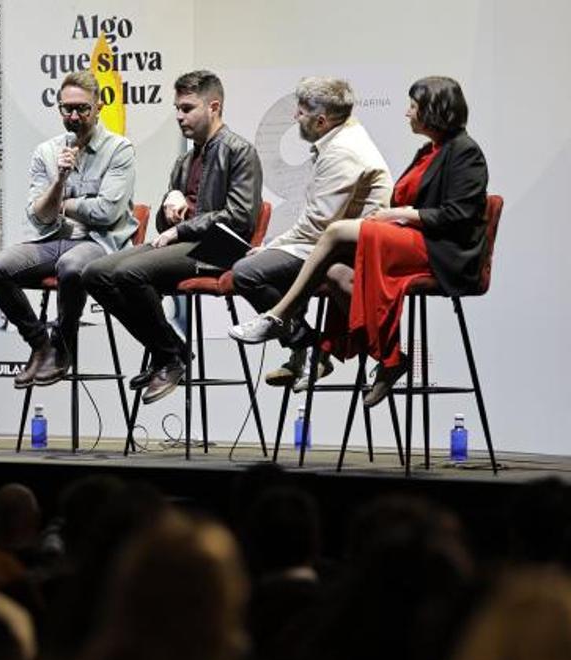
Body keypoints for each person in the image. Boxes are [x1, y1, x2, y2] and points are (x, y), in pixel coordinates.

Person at [230, 77, 488, 407]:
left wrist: (403, 215)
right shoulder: (430, 151)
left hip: (443, 250)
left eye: (413, 106)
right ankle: (390, 358)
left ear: (433, 111)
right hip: (411, 235)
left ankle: (279, 317)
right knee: (336, 273)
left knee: (335, 233)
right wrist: (398, 216)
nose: (407, 114)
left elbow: (459, 215)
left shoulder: (466, 152)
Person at [83, 70, 262, 403]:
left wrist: (182, 225)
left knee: (129, 272)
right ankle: (171, 350)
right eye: (177, 108)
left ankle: (168, 356)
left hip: (219, 250)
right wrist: (169, 213)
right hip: (184, 247)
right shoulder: (184, 160)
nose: (179, 117)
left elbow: (239, 218)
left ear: (214, 106)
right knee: (94, 273)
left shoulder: (239, 151)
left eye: (187, 108)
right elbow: (164, 232)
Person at [227, 78, 391, 392]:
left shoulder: (342, 152)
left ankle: (308, 345)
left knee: (247, 273)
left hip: (351, 248)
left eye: (300, 112)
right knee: (270, 264)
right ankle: (305, 350)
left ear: (321, 120)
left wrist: (271, 247)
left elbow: (318, 225)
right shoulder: (342, 135)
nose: (294, 118)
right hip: (335, 241)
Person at [0, 70, 137, 388]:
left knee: (71, 266)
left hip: (101, 243)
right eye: (67, 108)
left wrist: (65, 205)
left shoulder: (119, 150)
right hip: (53, 239)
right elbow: (38, 217)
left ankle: (63, 344)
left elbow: (107, 212)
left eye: (82, 108)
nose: (74, 115)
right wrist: (59, 181)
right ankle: (41, 345)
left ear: (98, 107)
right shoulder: (47, 152)